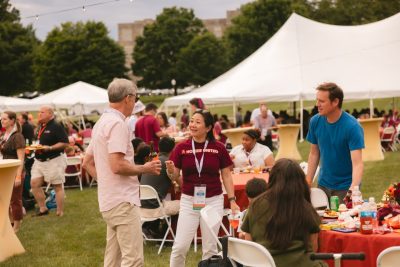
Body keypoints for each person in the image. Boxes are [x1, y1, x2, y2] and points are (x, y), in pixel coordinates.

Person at [83, 78, 162, 267]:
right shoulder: (117, 124)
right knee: (133, 260)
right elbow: (117, 166)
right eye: (135, 98)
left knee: (113, 259)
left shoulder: (102, 122)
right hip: (122, 201)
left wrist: (107, 184)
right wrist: (145, 168)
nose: (136, 102)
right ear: (128, 98)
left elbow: (86, 162)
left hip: (110, 200)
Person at [166, 109, 240, 267]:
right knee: (179, 247)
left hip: (213, 200)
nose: (192, 125)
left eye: (197, 122)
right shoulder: (181, 148)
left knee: (210, 248)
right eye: (191, 121)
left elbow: (226, 175)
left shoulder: (218, 148)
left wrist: (232, 200)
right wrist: (171, 171)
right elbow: (174, 176)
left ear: (208, 128)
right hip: (188, 201)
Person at [241, 159, 326, 267]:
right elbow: (313, 247)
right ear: (300, 182)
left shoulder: (256, 205)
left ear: (272, 178)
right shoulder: (305, 208)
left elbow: (250, 244)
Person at [306, 82, 364, 202]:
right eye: (317, 100)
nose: (317, 105)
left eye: (322, 101)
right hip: (323, 185)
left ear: (335, 102)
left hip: (346, 187)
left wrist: (353, 189)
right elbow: (314, 154)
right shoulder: (315, 122)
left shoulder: (352, 126)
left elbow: (358, 163)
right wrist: (308, 181)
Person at [30, 106, 69, 217]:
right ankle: (43, 209)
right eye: (39, 112)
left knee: (57, 186)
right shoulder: (41, 125)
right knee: (34, 184)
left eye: (42, 112)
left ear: (50, 114)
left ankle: (60, 211)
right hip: (39, 160)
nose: (39, 114)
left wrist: (50, 148)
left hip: (54, 160)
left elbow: (65, 143)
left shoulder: (56, 125)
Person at [141, 136, 180, 238]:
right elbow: (182, 184)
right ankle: (166, 236)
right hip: (155, 207)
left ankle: (151, 228)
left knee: (165, 198)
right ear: (173, 149)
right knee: (185, 205)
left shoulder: (151, 161)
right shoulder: (168, 163)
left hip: (141, 206)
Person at [0, 111, 26, 232]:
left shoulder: (18, 136)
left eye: (5, 119)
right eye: (1, 119)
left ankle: (16, 226)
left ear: (12, 121)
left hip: (15, 171)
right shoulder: (4, 135)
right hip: (5, 170)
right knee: (5, 199)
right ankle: (10, 223)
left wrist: (18, 176)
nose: (2, 121)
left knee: (15, 199)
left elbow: (21, 158)